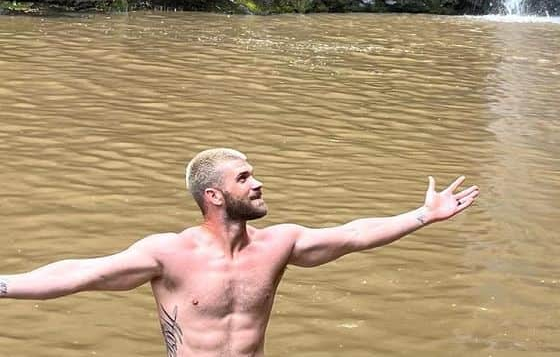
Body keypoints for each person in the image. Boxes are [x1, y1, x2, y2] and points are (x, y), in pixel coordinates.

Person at [0, 147, 478, 356]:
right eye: (244, 178)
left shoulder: (279, 243)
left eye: (254, 174)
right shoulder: (169, 253)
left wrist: (422, 216)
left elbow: (354, 234)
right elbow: (81, 273)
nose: (259, 182)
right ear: (213, 195)